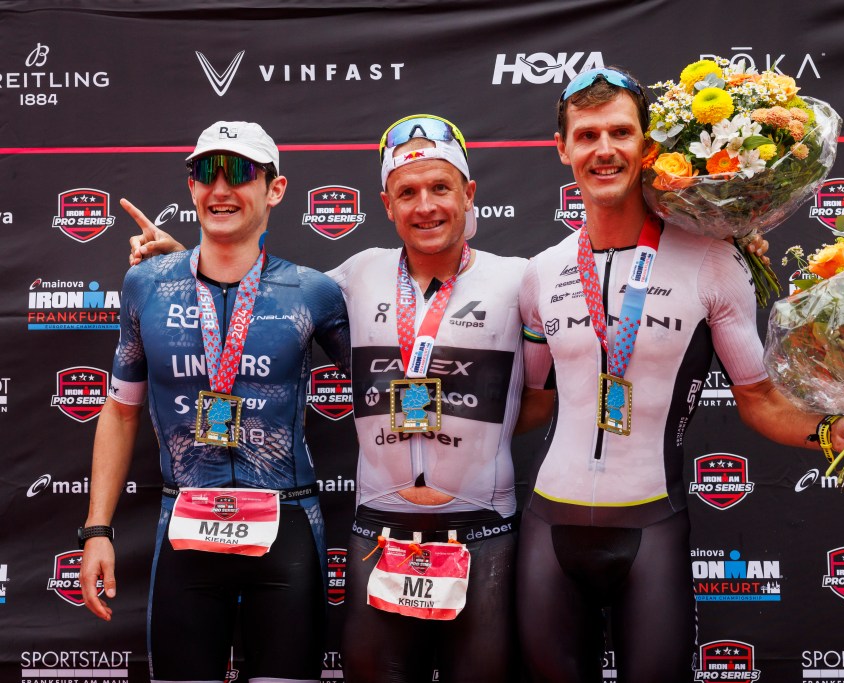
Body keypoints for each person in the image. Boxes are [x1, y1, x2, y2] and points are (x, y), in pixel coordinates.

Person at [515, 68, 844, 682]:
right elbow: (531, 402)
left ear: (648, 148)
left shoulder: (713, 261)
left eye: (620, 132)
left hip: (652, 530)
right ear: (562, 148)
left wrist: (832, 430)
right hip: (546, 529)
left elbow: (757, 398)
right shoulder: (539, 273)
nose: (604, 150)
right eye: (586, 135)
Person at [124, 115, 544, 683]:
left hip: (484, 530)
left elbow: (542, 398)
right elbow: (262, 291)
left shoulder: (523, 281)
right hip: (379, 534)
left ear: (469, 194)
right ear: (387, 205)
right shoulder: (353, 277)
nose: (425, 206)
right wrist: (186, 259)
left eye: (441, 188)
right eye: (407, 192)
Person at [80, 120, 351, 683]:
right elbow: (122, 409)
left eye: (242, 173)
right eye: (207, 172)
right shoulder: (147, 284)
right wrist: (96, 530)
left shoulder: (314, 291)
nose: (221, 189)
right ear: (191, 186)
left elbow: (380, 396)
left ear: (275, 189)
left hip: (287, 525)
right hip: (185, 525)